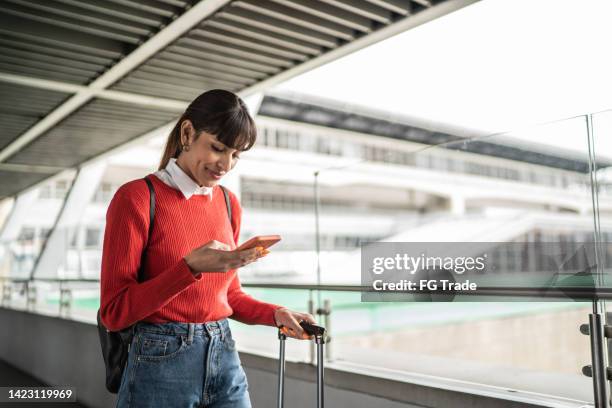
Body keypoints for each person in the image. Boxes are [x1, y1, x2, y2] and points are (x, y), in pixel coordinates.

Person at [99, 89, 316, 408]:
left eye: (236, 154)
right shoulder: (137, 198)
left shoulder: (229, 204)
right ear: (187, 133)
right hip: (159, 362)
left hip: (224, 354)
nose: (226, 164)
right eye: (218, 148)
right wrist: (188, 269)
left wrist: (276, 314)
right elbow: (114, 312)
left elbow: (229, 296)